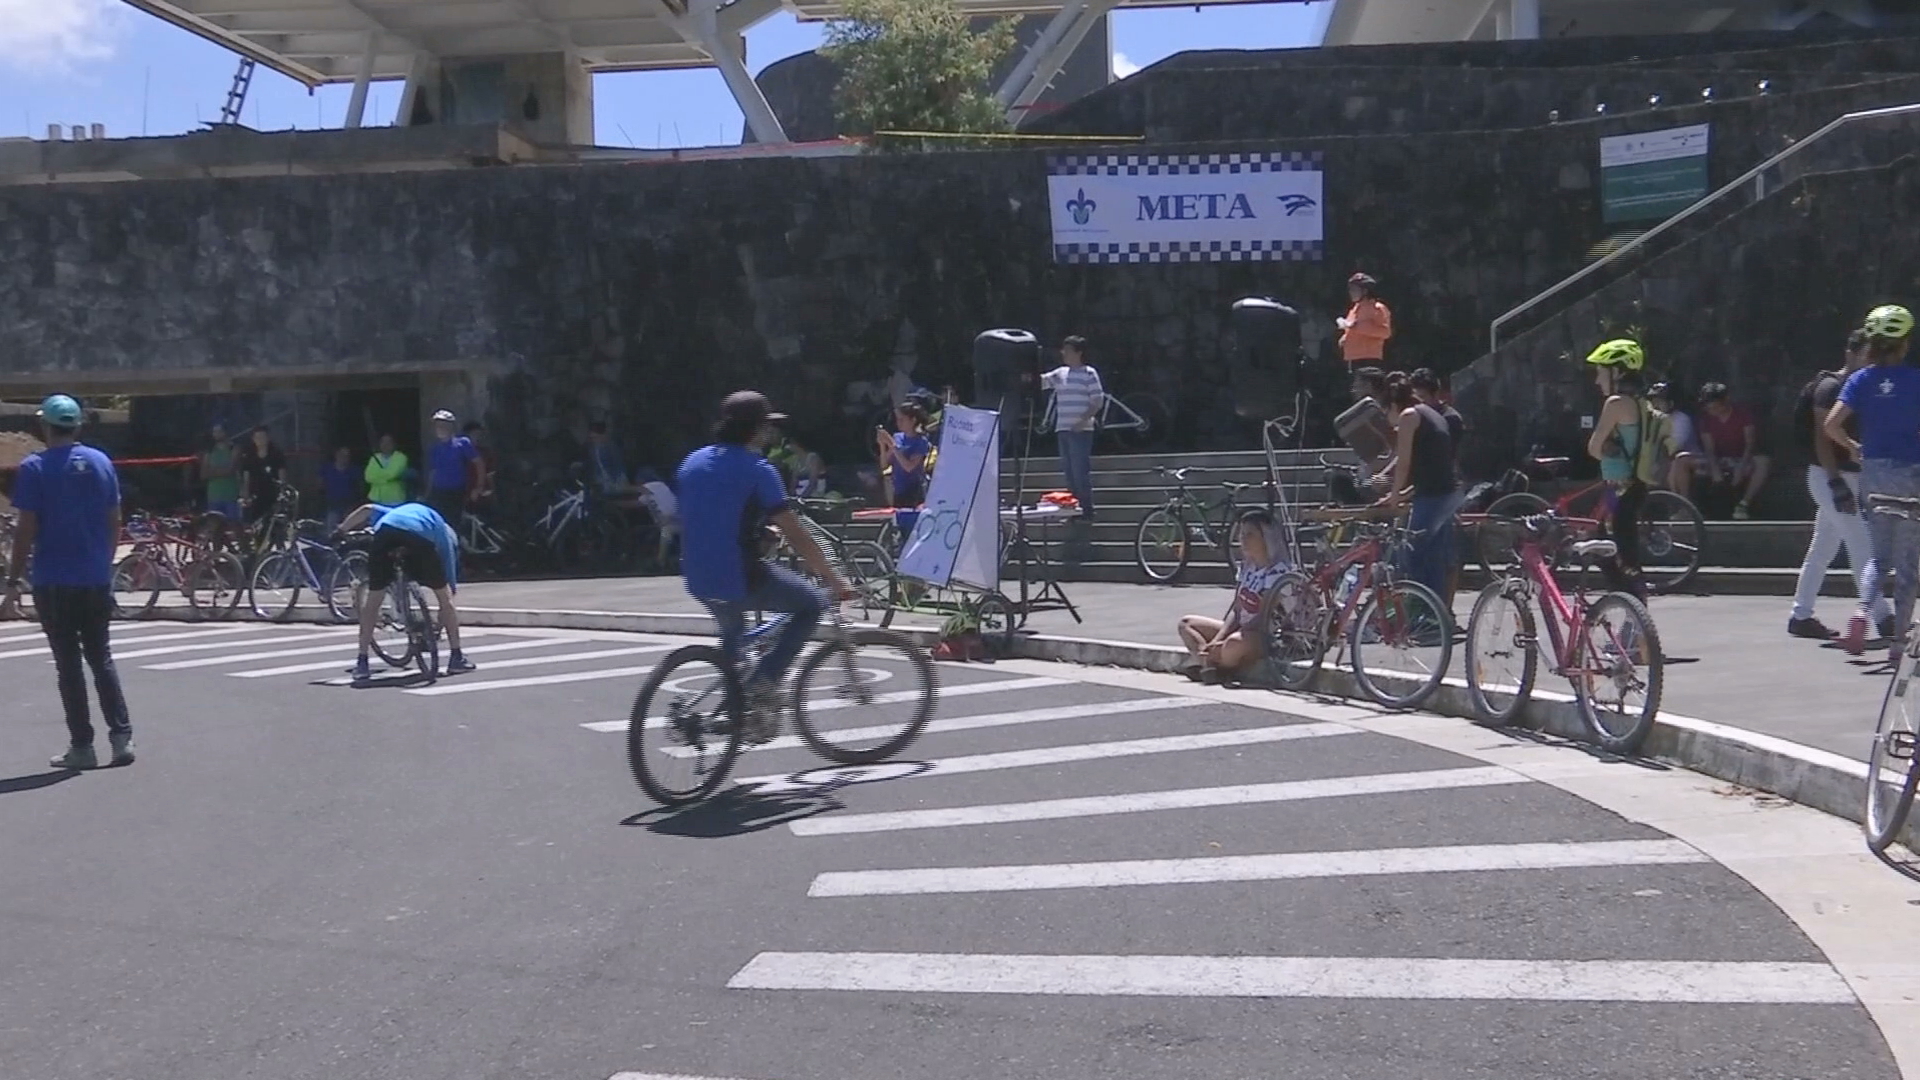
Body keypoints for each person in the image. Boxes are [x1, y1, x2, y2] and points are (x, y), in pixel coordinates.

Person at [678, 391, 853, 741]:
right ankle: (763, 683)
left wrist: (757, 532)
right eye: (767, 427)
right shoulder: (759, 470)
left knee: (735, 639)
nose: (770, 434)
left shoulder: (692, 462)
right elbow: (797, 533)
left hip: (696, 575)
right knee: (812, 604)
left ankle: (736, 710)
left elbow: (713, 514)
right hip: (737, 575)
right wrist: (833, 578)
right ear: (755, 430)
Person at [0, 395, 133, 770]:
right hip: (94, 578)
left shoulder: (35, 468)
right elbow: (114, 520)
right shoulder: (101, 462)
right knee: (101, 658)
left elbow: (26, 529)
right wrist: (102, 563)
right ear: (76, 426)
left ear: (44, 426)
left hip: (53, 579)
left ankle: (82, 746)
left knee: (69, 665)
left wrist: (12, 581)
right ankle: (122, 738)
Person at [1825, 305, 1920, 659]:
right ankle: (1897, 644)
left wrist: (1853, 447)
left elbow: (1831, 424)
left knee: (1878, 559)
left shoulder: (1860, 380)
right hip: (1910, 475)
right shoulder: (1917, 380)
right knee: (1908, 565)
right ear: (1904, 344)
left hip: (1874, 475)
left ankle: (1861, 611)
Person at [1790, 329, 1892, 641]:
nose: (1871, 361)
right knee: (1861, 544)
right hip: (1828, 477)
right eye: (1867, 355)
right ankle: (1884, 619)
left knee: (1823, 547)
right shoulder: (1830, 386)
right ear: (1851, 353)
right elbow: (1822, 439)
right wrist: (1835, 483)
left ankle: (1800, 615)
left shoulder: (1861, 387)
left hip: (1847, 476)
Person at [335, 500, 474, 684]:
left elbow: (367, 509)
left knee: (375, 597)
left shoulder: (397, 512)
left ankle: (362, 662)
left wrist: (341, 530)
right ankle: (456, 657)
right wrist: (447, 602)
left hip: (385, 534)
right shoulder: (441, 529)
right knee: (444, 596)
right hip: (418, 538)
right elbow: (449, 577)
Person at [1585, 339, 1672, 600]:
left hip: (1618, 490)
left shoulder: (1616, 404)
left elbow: (1593, 447)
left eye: (1601, 372)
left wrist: (1605, 445)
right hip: (1635, 485)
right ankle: (1627, 612)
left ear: (1617, 372)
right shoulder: (1643, 404)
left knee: (1618, 555)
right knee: (1613, 548)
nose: (1597, 381)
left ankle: (1632, 620)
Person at [1176, 509, 1292, 683]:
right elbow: (1237, 610)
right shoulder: (1246, 568)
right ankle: (1209, 664)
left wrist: (1224, 642)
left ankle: (1212, 666)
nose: (1243, 540)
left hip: (1268, 637)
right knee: (1186, 624)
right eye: (1241, 534)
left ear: (1266, 538)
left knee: (1233, 644)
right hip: (1241, 630)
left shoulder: (1278, 572)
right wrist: (1216, 640)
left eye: (1250, 534)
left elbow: (1263, 617)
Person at [1375, 373, 1457, 602]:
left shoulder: (1409, 416)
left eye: (1385, 413)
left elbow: (1404, 464)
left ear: (1392, 405)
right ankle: (1436, 614)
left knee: (1415, 557)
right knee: (1434, 559)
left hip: (1433, 499)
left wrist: (1392, 497)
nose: (1388, 421)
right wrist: (1401, 495)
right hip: (1443, 495)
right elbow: (1429, 467)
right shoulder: (1429, 413)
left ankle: (1424, 613)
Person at [1041, 335, 1105, 520]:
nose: (1064, 354)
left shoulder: (1089, 373)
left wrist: (1083, 420)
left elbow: (1097, 400)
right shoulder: (1060, 373)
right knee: (1069, 472)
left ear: (1079, 353)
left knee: (1079, 471)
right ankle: (1072, 508)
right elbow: (1042, 382)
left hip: (1081, 430)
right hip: (1063, 429)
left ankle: (1086, 508)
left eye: (1068, 350)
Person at [1698, 382, 1771, 520]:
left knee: (1763, 462)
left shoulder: (1743, 414)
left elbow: (1750, 443)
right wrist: (1715, 470)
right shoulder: (1705, 419)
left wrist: (1741, 467)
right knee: (1682, 460)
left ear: (1725, 401)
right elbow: (1709, 448)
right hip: (1717, 459)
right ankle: (1690, 509)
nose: (1712, 409)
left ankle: (1744, 503)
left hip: (1740, 458)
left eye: (1715, 405)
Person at [876, 401, 932, 544]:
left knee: (912, 530)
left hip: (914, 490)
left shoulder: (920, 441)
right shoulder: (898, 437)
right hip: (899, 489)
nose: (899, 423)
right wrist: (883, 446)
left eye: (902, 419)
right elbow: (884, 464)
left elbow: (909, 467)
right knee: (900, 528)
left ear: (912, 420)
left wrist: (894, 447)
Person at [424, 409, 479, 525]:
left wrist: (478, 487)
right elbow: (433, 472)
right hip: (438, 492)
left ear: (451, 427)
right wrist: (428, 493)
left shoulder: (462, 443)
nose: (440, 428)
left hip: (456, 492)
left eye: (443, 425)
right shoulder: (435, 448)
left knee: (454, 523)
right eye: (437, 426)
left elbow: (479, 464)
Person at [1649, 382, 1703, 498]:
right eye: (1654, 401)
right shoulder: (1650, 420)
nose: (1655, 405)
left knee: (1673, 464)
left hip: (1687, 460)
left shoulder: (1681, 419)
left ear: (1671, 403)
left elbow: (1672, 448)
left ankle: (1682, 504)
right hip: (1658, 462)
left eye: (1660, 401)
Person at [1338, 272, 1393, 366]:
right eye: (1350, 289)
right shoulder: (1354, 309)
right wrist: (1345, 338)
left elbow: (1385, 332)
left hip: (1369, 359)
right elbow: (1353, 329)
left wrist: (1358, 326)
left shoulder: (1377, 308)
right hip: (1352, 358)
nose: (1351, 292)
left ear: (1365, 291)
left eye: (1354, 290)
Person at [240, 425, 288, 525]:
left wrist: (282, 494)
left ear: (268, 438)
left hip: (272, 495)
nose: (260, 440)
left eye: (263, 437)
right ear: (253, 439)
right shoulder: (249, 455)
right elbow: (246, 476)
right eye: (257, 437)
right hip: (255, 496)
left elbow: (282, 476)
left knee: (273, 525)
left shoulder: (276, 454)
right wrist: (245, 494)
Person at [202, 422, 241, 522]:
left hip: (231, 495)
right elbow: (203, 474)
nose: (216, 434)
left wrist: (213, 471)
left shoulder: (234, 449)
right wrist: (222, 470)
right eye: (214, 432)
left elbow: (231, 470)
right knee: (215, 528)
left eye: (219, 431)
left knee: (235, 525)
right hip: (213, 496)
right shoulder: (209, 451)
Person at [319, 446, 359, 533]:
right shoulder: (327, 468)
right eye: (342, 455)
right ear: (336, 455)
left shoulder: (354, 470)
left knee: (348, 527)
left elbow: (358, 486)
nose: (344, 458)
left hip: (348, 503)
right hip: (332, 502)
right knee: (330, 526)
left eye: (347, 456)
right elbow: (321, 484)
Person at [585, 421, 630, 495]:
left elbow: (618, 464)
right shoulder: (592, 449)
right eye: (592, 438)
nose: (594, 440)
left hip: (615, 479)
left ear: (603, 435)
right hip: (601, 481)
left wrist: (618, 480)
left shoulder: (612, 447)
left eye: (596, 437)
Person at [364, 434, 408, 506]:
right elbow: (368, 477)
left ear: (394, 444)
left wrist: (377, 478)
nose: (385, 445)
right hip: (376, 499)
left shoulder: (401, 457)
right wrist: (386, 479)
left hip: (395, 499)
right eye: (383, 442)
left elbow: (393, 474)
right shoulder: (374, 458)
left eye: (389, 442)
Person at [463, 421, 496, 508]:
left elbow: (490, 473)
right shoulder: (460, 452)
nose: (477, 438)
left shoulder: (485, 452)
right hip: (463, 493)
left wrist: (490, 489)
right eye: (474, 434)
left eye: (479, 434)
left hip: (482, 493)